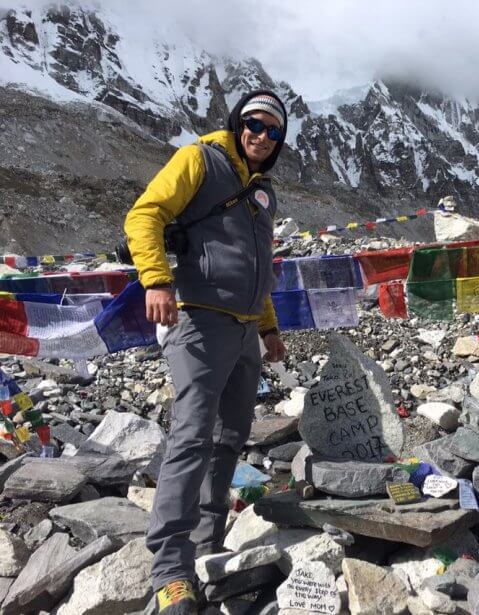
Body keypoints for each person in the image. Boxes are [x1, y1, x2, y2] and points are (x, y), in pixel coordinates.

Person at [124, 90, 289, 614]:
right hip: (198, 320)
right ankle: (170, 570)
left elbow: (257, 267)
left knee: (230, 438)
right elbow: (144, 214)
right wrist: (156, 280)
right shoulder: (199, 158)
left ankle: (206, 541)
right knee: (192, 436)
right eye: (254, 124)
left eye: (273, 132)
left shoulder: (264, 193)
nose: (261, 137)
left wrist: (268, 330)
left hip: (245, 333)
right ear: (237, 121)